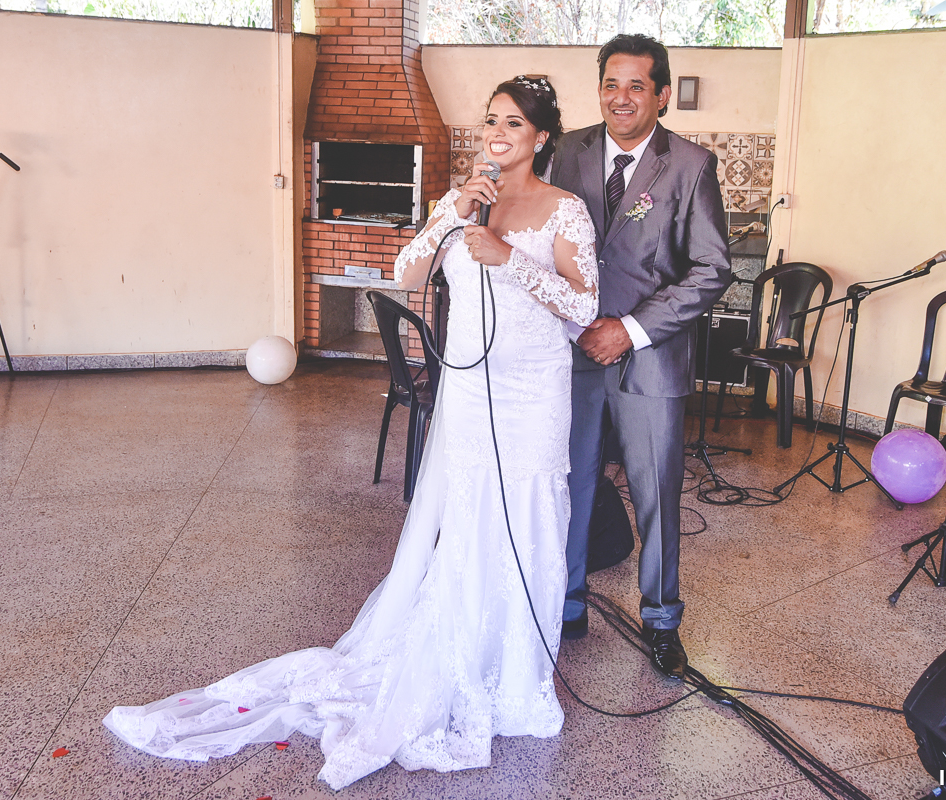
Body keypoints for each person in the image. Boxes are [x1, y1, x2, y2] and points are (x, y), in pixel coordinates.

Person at [103, 77, 598, 790]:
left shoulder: (566, 212)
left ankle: (516, 668)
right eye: (490, 120)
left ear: (542, 137)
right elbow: (407, 271)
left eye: (514, 123)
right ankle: (457, 651)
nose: (498, 133)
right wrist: (450, 219)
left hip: (533, 396)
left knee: (527, 517)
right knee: (465, 520)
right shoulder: (463, 202)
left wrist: (512, 260)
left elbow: (585, 308)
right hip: (467, 392)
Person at [550, 34, 732, 680]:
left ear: (660, 95)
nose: (619, 98)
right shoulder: (565, 151)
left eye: (635, 86)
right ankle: (566, 604)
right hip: (573, 356)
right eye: (610, 83)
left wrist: (628, 330)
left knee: (655, 493)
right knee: (569, 484)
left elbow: (713, 270)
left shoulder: (690, 165)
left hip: (649, 359)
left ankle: (661, 621)